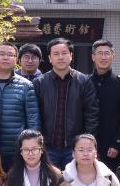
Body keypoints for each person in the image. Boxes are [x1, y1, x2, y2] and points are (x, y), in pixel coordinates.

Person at [32, 38, 99, 169]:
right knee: (50, 180)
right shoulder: (39, 83)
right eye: (56, 54)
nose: (60, 57)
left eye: (64, 53)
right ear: (50, 58)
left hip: (75, 147)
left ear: (71, 56)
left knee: (73, 180)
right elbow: (34, 115)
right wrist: (38, 142)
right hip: (47, 147)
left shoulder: (83, 81)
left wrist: (86, 142)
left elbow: (92, 114)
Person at [0, 43, 40, 164]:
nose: (5, 57)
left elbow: (33, 119)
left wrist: (32, 146)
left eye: (10, 54)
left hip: (16, 150)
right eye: (1, 54)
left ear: (16, 59)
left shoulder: (26, 86)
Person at [89, 40, 120, 171]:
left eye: (107, 53)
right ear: (93, 57)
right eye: (100, 53)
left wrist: (117, 143)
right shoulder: (85, 82)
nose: (103, 57)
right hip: (88, 145)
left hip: (113, 148)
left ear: (113, 56)